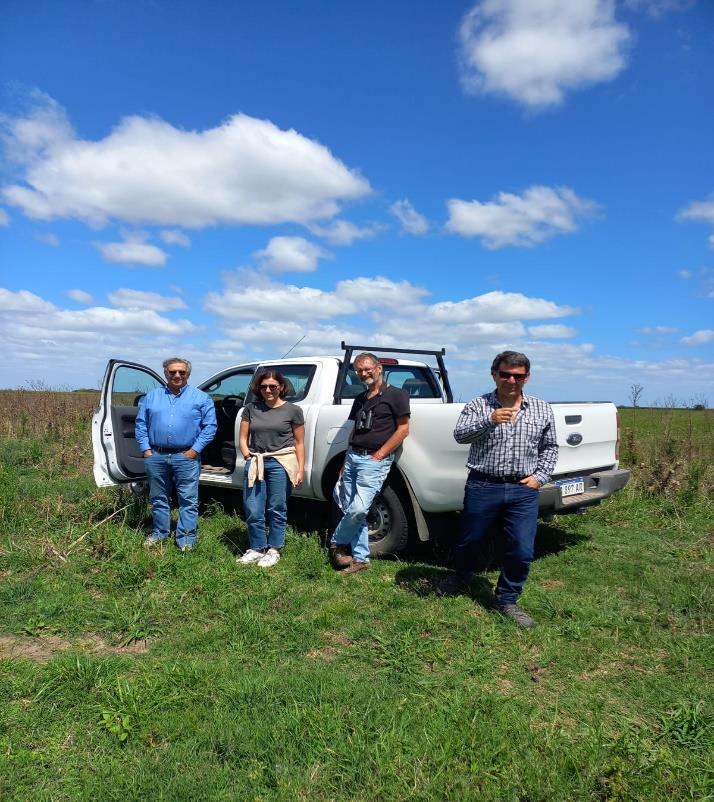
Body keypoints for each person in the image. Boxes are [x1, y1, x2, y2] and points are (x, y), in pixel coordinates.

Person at [438, 351, 558, 628]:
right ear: (494, 374)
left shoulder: (541, 408)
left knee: (521, 548)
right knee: (470, 540)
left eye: (518, 375)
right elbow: (460, 435)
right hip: (484, 484)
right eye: (505, 374)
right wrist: (490, 420)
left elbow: (550, 447)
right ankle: (460, 577)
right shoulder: (479, 405)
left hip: (522, 489)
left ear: (527, 378)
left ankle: (507, 599)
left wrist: (539, 477)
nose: (511, 380)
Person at [329, 353, 410, 574]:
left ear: (379, 367)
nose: (363, 373)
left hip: (374, 460)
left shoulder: (397, 395)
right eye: (359, 370)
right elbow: (354, 430)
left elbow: (403, 429)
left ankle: (337, 542)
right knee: (353, 509)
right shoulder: (361, 398)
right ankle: (361, 558)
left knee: (357, 509)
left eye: (367, 369)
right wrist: (345, 461)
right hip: (354, 457)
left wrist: (380, 454)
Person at [135, 357, 217, 552]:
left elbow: (210, 427)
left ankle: (186, 538)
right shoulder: (152, 397)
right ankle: (159, 533)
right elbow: (140, 425)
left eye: (181, 372)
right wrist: (146, 450)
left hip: (186, 456)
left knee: (188, 499)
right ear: (165, 373)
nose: (177, 375)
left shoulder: (201, 398)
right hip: (156, 455)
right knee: (158, 498)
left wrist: (194, 450)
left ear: (188, 373)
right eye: (172, 372)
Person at [237, 369, 305, 568]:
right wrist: (247, 454)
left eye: (273, 386)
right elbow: (243, 437)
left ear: (281, 387)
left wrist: (300, 469)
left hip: (281, 462)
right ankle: (257, 547)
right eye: (264, 386)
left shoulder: (293, 410)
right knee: (252, 506)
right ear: (259, 388)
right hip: (256, 461)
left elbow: (299, 442)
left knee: (276, 506)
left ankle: (274, 548)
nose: (268, 390)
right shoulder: (251, 408)